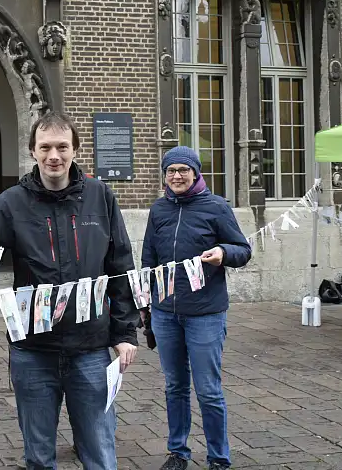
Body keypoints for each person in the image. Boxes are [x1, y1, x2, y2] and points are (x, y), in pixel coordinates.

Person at [0, 111, 140, 469]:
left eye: (61, 146)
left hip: (90, 347)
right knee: (39, 457)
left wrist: (125, 332)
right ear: (33, 151)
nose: (53, 155)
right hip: (33, 350)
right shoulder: (12, 201)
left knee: (100, 453)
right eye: (45, 147)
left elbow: (120, 268)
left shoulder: (100, 196)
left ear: (75, 149)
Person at [142, 146, 251, 470]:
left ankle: (219, 458)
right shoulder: (159, 210)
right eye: (171, 170)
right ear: (165, 174)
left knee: (208, 390)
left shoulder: (216, 207)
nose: (177, 176)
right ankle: (178, 452)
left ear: (195, 172)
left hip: (205, 314)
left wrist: (222, 252)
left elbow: (243, 250)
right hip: (166, 314)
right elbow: (149, 259)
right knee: (175, 386)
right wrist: (146, 305)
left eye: (183, 170)